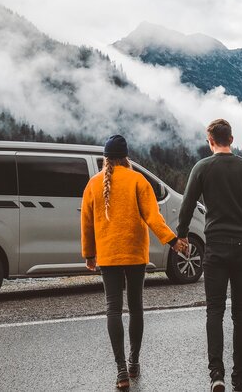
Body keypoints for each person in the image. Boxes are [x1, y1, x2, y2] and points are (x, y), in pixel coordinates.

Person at [81, 134, 187, 390]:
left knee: (113, 309)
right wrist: (172, 241)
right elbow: (154, 217)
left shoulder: (93, 184)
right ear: (126, 158)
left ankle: (121, 372)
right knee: (136, 308)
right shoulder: (138, 180)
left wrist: (89, 254)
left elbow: (86, 222)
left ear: (105, 160)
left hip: (108, 254)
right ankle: (134, 362)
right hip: (135, 254)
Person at [177, 118, 242, 392]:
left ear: (210, 142)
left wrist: (182, 235)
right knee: (241, 314)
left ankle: (216, 375)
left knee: (214, 312)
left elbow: (187, 204)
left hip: (215, 248)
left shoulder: (202, 167)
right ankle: (239, 380)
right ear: (231, 139)